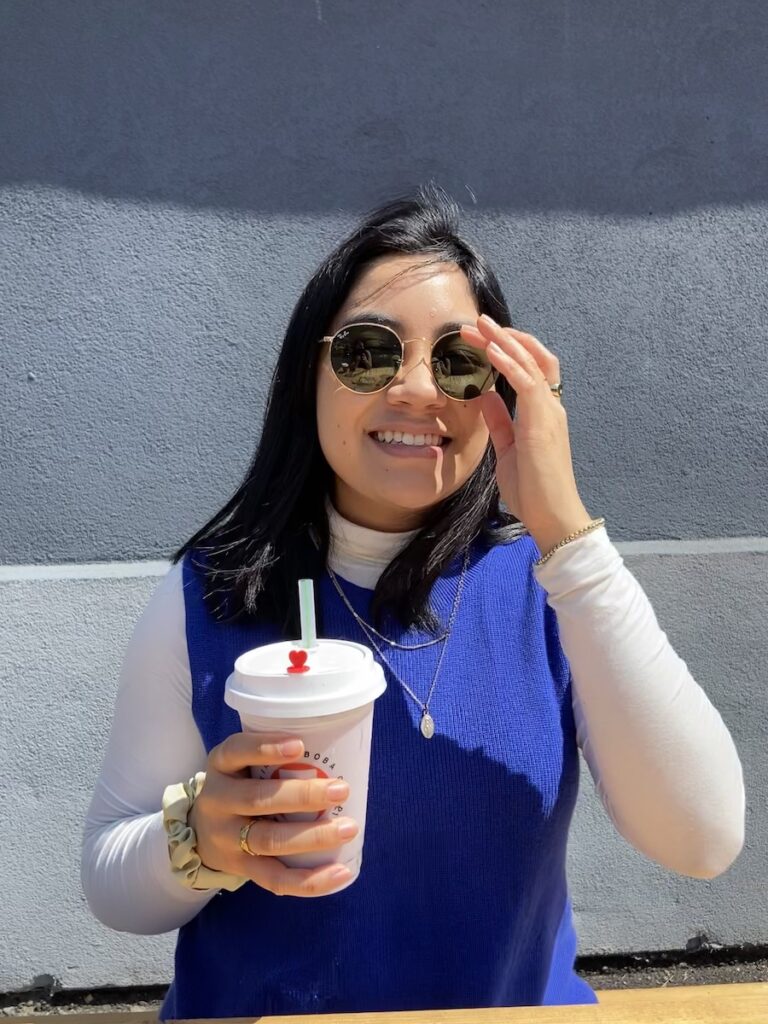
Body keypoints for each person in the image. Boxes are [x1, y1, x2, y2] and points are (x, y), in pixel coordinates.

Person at [82, 184, 745, 1019]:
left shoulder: (551, 585)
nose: (418, 389)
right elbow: (111, 880)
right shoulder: (210, 596)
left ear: (500, 393)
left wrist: (570, 535)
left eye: (460, 361)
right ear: (308, 376)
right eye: (369, 352)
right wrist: (203, 840)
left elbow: (704, 840)